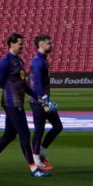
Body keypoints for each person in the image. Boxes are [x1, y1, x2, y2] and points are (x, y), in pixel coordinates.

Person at [0, 33, 45, 177]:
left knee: (9, 135)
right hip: (11, 102)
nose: (23, 46)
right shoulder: (5, 61)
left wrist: (37, 96)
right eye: (20, 44)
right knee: (25, 134)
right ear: (12, 44)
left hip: (17, 101)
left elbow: (23, 84)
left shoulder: (19, 61)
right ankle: (34, 168)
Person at [28, 34, 63, 166]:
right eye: (49, 43)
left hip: (44, 99)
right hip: (38, 100)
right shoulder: (37, 61)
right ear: (41, 44)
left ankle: (41, 151)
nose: (51, 45)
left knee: (58, 126)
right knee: (39, 130)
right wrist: (45, 99)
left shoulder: (43, 60)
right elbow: (36, 83)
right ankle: (36, 158)